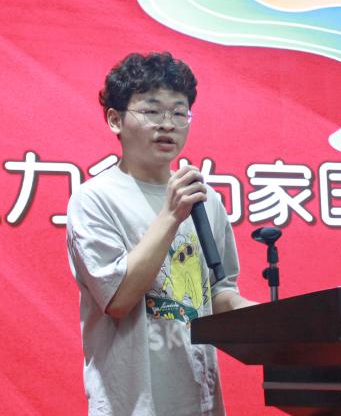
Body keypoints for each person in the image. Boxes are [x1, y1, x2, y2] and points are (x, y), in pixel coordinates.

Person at [66, 52, 254, 416]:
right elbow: (118, 300)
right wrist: (170, 216)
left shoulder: (206, 200)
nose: (167, 124)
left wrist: (279, 320)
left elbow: (216, 295)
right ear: (115, 120)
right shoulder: (95, 199)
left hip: (200, 402)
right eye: (152, 111)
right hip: (132, 405)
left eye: (179, 113)